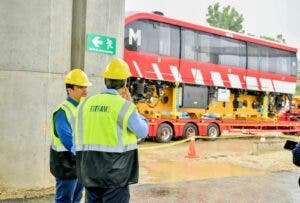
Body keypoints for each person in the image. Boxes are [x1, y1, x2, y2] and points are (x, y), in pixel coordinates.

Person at [75, 58, 149, 203]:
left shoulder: (85, 104)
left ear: (106, 80)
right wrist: (131, 104)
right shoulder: (124, 106)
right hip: (115, 177)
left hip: (89, 172)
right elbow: (143, 131)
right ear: (125, 83)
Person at [50, 69, 91, 203]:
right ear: (69, 89)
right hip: (66, 164)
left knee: (77, 198)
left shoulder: (82, 108)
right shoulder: (62, 112)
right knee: (65, 199)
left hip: (78, 163)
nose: (85, 90)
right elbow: (68, 141)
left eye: (85, 86)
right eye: (80, 87)